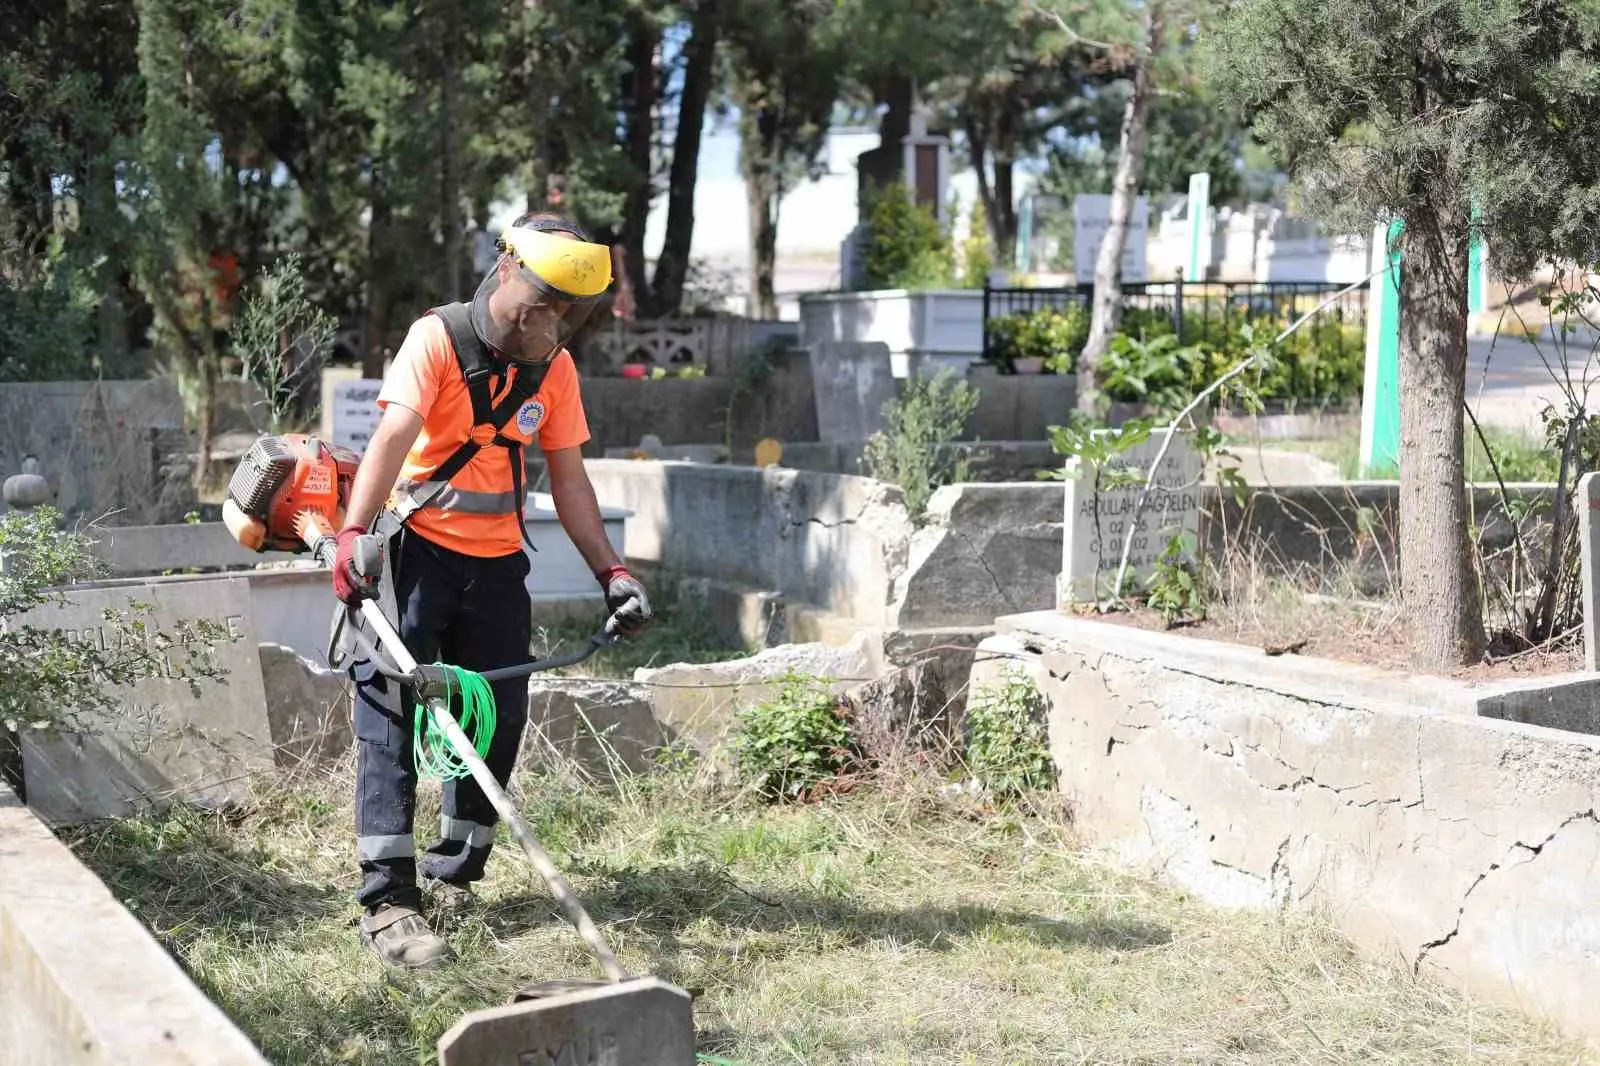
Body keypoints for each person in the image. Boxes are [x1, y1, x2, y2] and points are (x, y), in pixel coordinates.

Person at [330, 211, 654, 969]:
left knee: (496, 721)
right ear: (506, 268)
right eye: (538, 308)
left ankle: (456, 873)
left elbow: (569, 480)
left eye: (562, 318)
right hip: (417, 554)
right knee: (392, 717)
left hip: (500, 564)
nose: (545, 327)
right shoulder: (437, 338)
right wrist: (355, 534)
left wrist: (613, 572)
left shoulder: (555, 369)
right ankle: (389, 901)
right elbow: (392, 439)